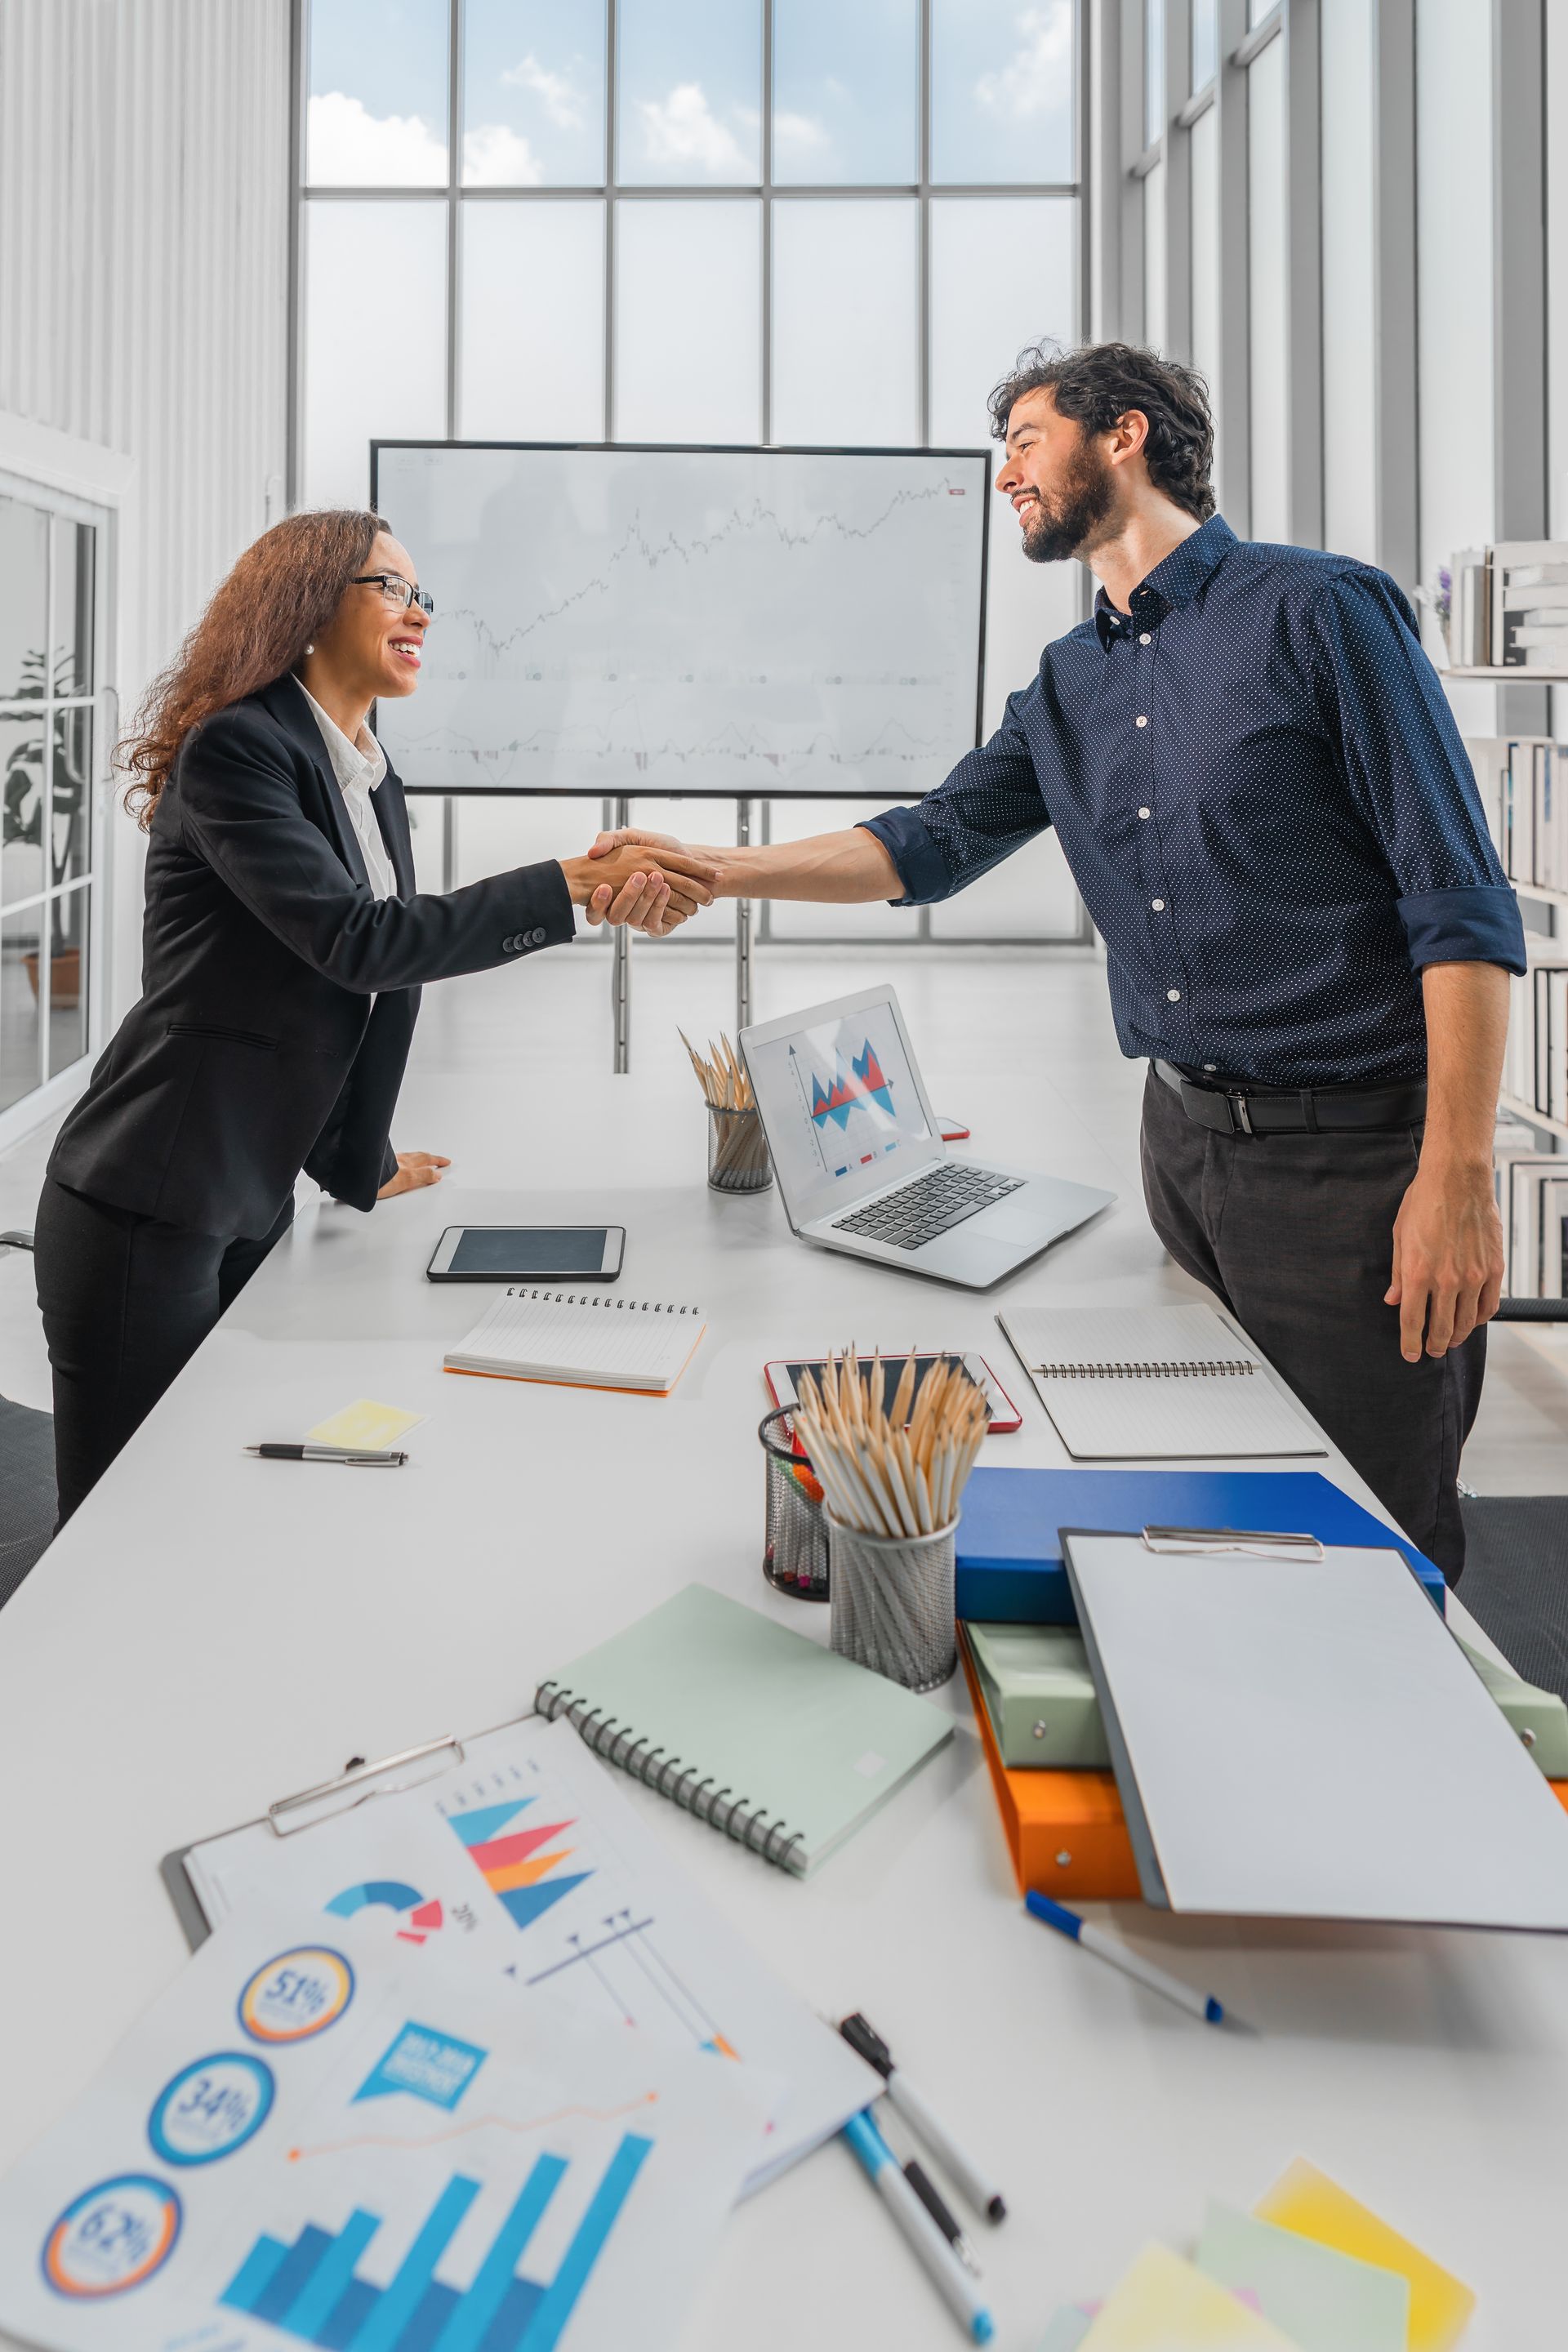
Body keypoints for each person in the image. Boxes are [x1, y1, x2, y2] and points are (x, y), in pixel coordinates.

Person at [588, 341, 1526, 1582]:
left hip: (1354, 1159)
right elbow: (926, 845)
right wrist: (716, 867)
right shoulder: (1069, 681)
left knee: (1379, 1538)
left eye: (1025, 441)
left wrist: (1457, 1173)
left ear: (1123, 437)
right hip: (1181, 1147)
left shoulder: (1319, 611)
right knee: (1222, 1496)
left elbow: (1456, 903)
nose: (1006, 477)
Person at [34, 508, 713, 1523]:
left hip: (246, 1188)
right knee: (120, 1522)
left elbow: (373, 981)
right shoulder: (237, 752)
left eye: (422, 593)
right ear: (308, 606)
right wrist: (570, 884)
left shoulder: (365, 768)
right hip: (147, 1198)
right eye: (388, 587)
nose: (418, 612)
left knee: (213, 1493)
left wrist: (359, 1154)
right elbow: (361, 940)